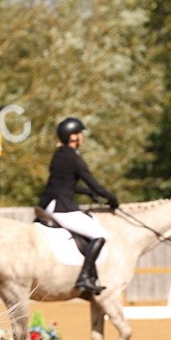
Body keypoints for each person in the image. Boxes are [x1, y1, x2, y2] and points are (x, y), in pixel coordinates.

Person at [38, 117, 119, 296]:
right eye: (80, 133)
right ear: (73, 136)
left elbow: (64, 183)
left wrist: (87, 194)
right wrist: (112, 199)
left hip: (48, 205)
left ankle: (86, 275)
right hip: (62, 208)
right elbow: (94, 183)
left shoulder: (58, 155)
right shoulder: (73, 157)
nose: (82, 137)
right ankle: (85, 277)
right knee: (99, 235)